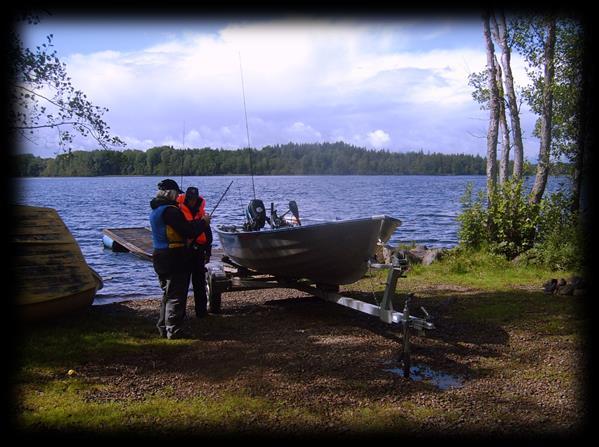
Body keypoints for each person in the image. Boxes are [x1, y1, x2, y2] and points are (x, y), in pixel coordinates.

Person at [149, 178, 211, 339]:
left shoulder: (156, 210)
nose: (178, 197)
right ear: (170, 193)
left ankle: (163, 328)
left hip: (159, 255)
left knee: (167, 294)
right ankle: (174, 331)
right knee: (176, 295)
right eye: (176, 194)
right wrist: (203, 223)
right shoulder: (171, 211)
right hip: (174, 256)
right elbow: (189, 230)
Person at [177, 186, 213, 318]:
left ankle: (202, 312)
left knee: (199, 283)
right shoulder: (179, 210)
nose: (192, 201)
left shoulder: (201, 212)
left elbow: (208, 234)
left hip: (199, 251)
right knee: (183, 284)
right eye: (189, 198)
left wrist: (208, 252)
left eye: (194, 199)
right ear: (186, 197)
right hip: (185, 251)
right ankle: (180, 314)